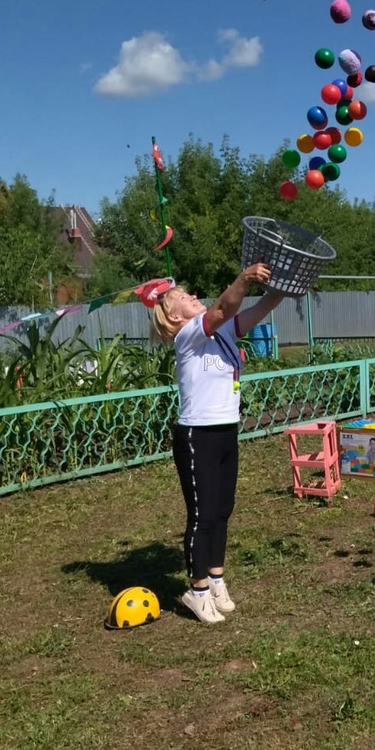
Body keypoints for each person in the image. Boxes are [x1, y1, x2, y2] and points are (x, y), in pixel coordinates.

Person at [149, 262, 285, 624]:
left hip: (226, 430)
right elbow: (223, 307)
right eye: (183, 297)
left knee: (223, 510)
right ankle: (196, 591)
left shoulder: (222, 332)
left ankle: (216, 580)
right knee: (202, 515)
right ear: (174, 317)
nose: (193, 296)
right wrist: (244, 278)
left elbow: (260, 308)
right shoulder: (188, 335)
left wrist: (284, 287)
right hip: (198, 436)